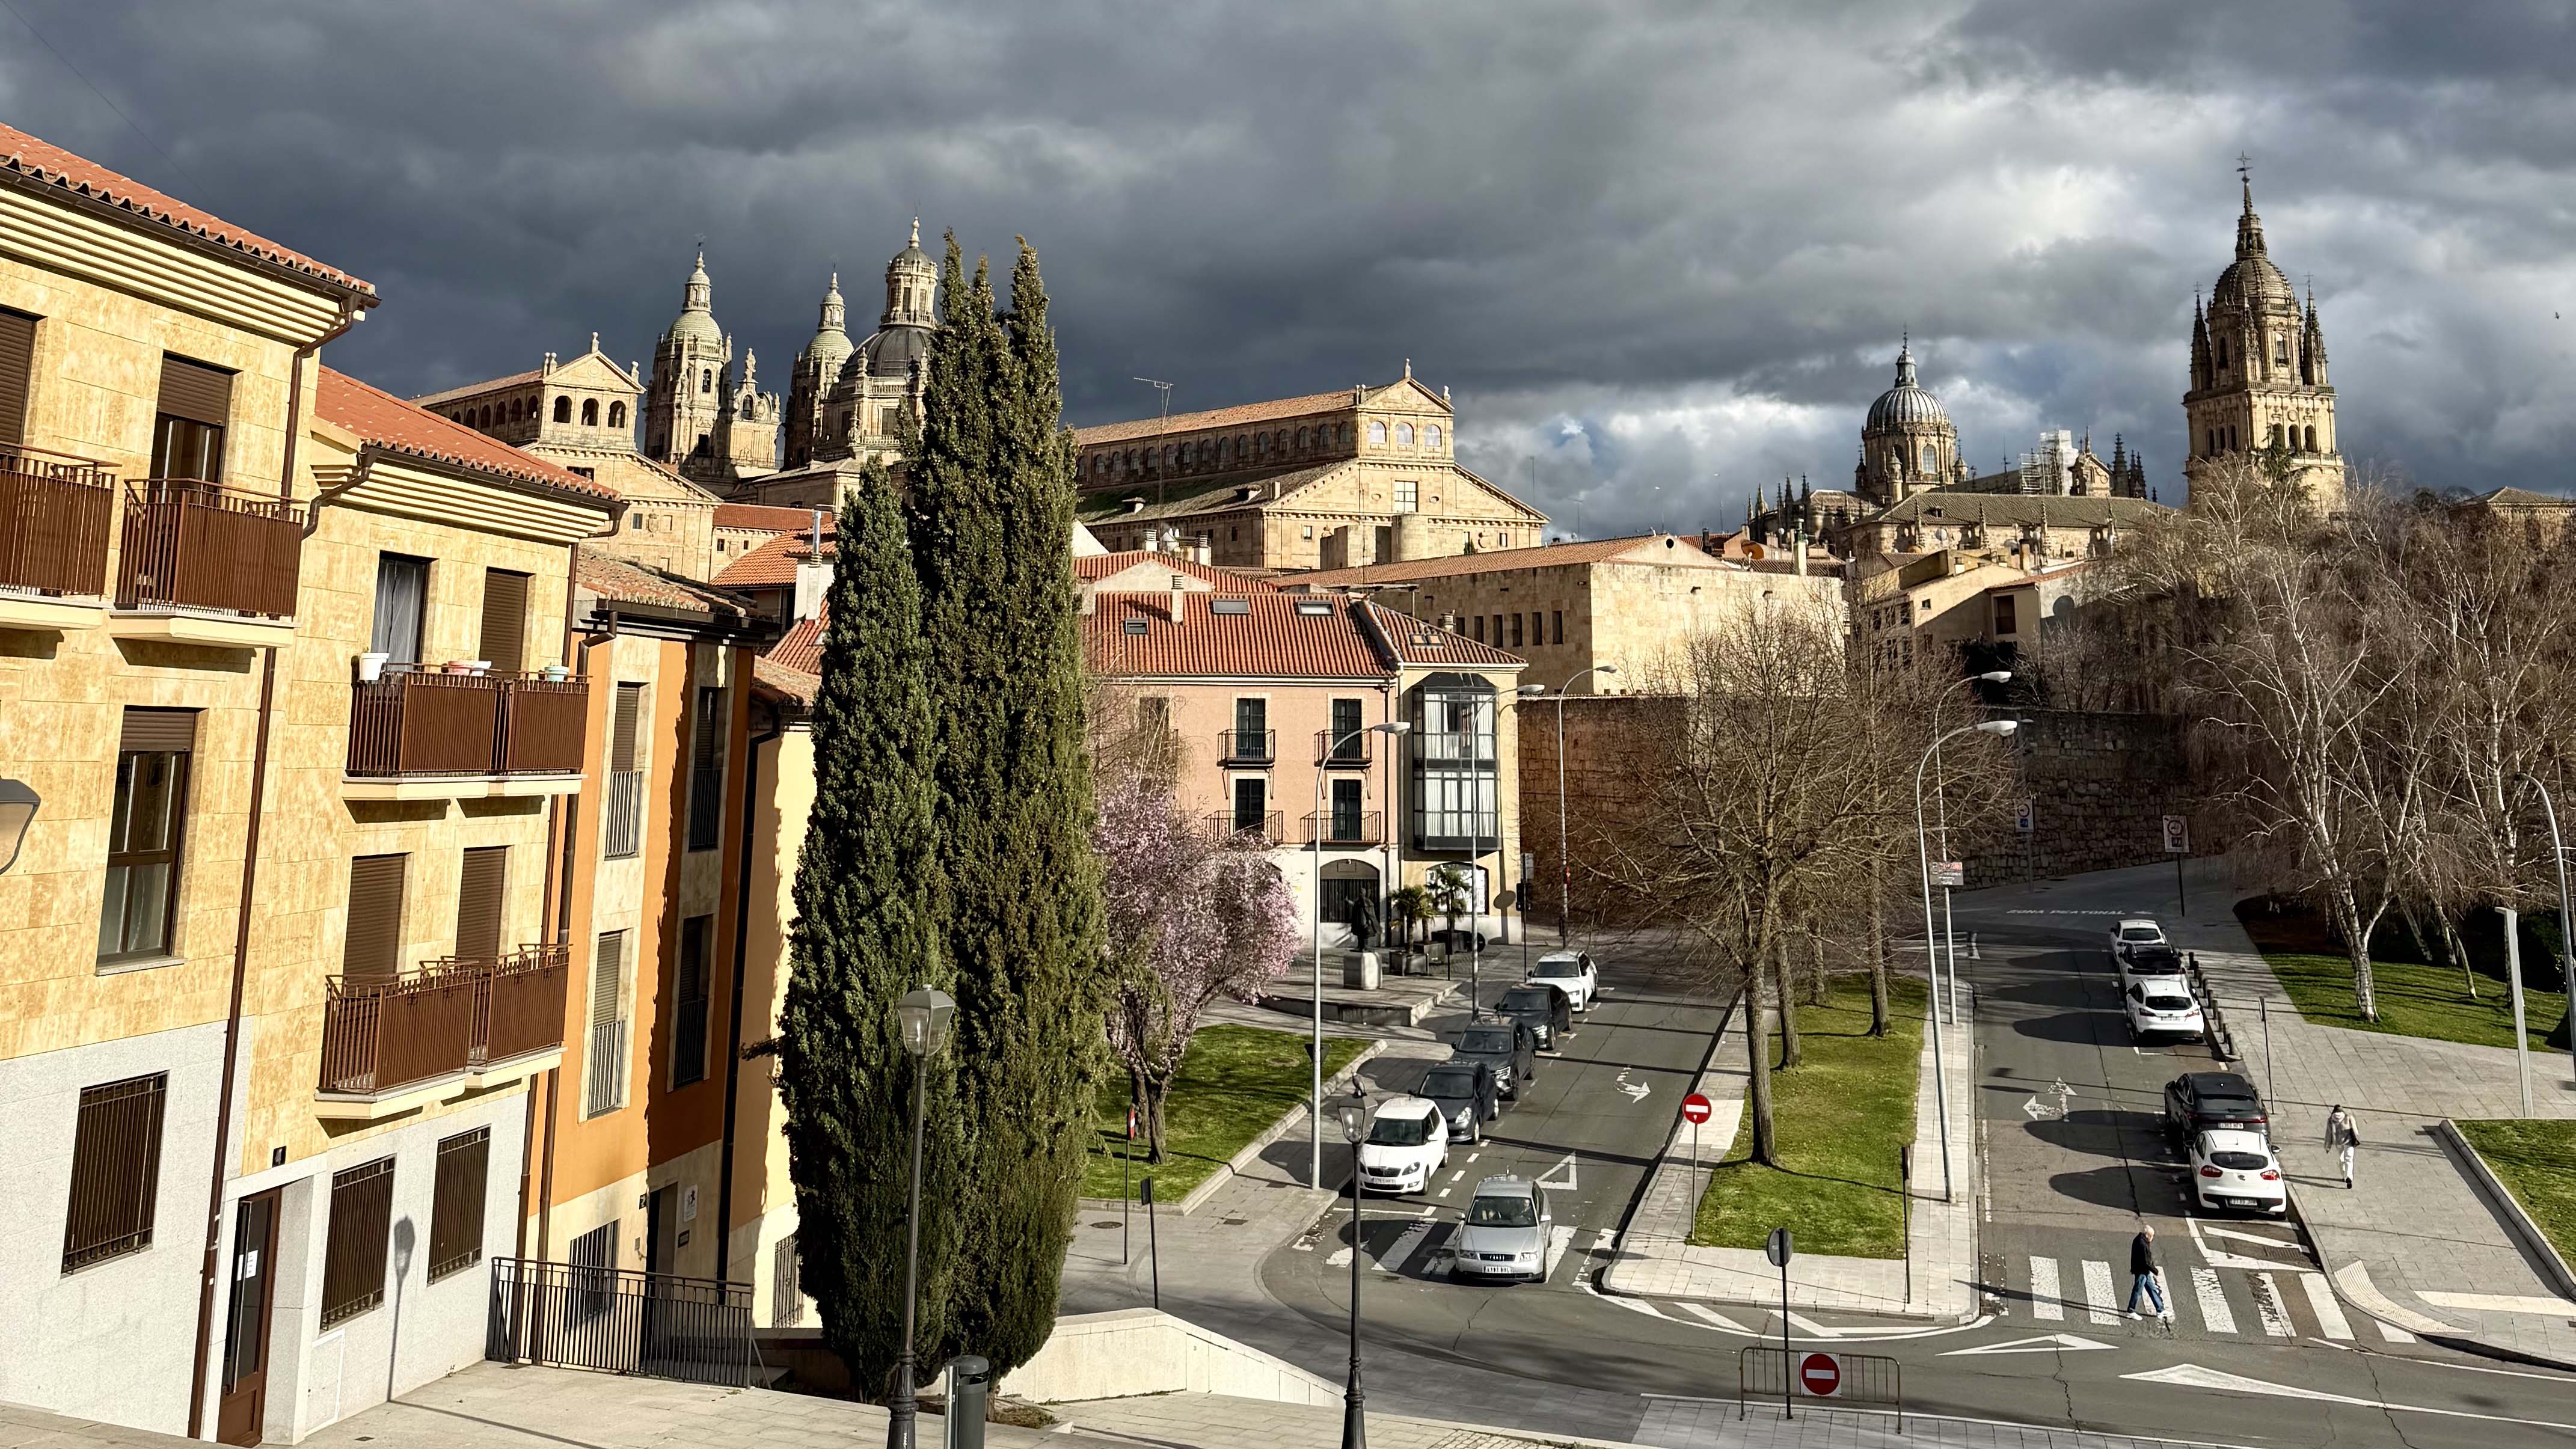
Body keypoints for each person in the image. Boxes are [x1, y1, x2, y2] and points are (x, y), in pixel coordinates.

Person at [2125, 1225, 2168, 1320]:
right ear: (2148, 1235)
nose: (2152, 1239)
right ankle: (2131, 1311)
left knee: (2152, 1289)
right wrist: (2156, 1271)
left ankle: (2160, 1309)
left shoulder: (2139, 1239)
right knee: (2138, 1291)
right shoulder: (2143, 1244)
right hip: (2141, 1271)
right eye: (2152, 1236)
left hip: (2143, 1270)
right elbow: (2147, 1261)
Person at [2327, 1104, 2360, 1188]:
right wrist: (2356, 1137)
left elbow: (2329, 1134)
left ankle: (2344, 1175)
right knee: (2349, 1159)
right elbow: (2356, 1131)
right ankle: (2349, 1176)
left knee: (2341, 1158)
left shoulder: (2331, 1119)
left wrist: (2328, 1146)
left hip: (2338, 1142)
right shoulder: (2348, 1117)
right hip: (2349, 1141)